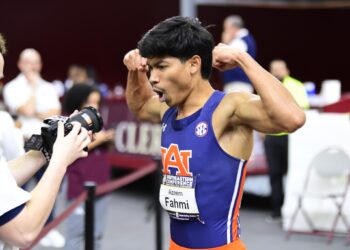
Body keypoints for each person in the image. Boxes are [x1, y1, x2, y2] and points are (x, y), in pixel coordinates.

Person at [123, 16, 305, 250]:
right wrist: (134, 71)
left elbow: (293, 118)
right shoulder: (168, 109)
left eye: (161, 66)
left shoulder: (228, 108)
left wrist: (242, 58)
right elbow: (139, 106)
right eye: (150, 68)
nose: (153, 78)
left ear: (193, 64)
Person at [0, 33, 92, 250]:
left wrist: (45, 151)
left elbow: (3, 176)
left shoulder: (48, 87)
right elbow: (24, 233)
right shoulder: (18, 88)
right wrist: (60, 159)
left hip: (33, 144)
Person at [3, 48, 64, 247]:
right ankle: (12, 223)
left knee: (46, 185)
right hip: (21, 140)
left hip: (43, 141)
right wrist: (33, 88)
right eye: (28, 62)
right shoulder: (13, 87)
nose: (33, 67)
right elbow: (28, 110)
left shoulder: (48, 86)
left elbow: (53, 114)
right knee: (14, 190)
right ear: (20, 64)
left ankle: (48, 227)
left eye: (36, 62)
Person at [63, 84, 114, 250]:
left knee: (96, 235)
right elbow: (71, 150)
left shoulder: (97, 121)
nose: (94, 106)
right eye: (89, 102)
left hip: (102, 184)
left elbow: (106, 150)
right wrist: (101, 139)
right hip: (79, 186)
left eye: (97, 102)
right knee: (76, 235)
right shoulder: (70, 122)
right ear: (77, 102)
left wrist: (108, 140)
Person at [264, 59, 309, 222]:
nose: (276, 72)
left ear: (287, 70)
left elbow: (302, 109)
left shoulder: (296, 85)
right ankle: (276, 212)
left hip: (291, 138)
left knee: (293, 173)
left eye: (280, 69)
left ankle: (293, 212)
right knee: (274, 175)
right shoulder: (265, 86)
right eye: (273, 69)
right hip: (271, 137)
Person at [221, 15, 257, 93]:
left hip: (238, 84)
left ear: (233, 28)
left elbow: (226, 57)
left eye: (226, 29)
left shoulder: (240, 41)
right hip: (240, 84)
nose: (225, 32)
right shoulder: (245, 39)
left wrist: (226, 43)